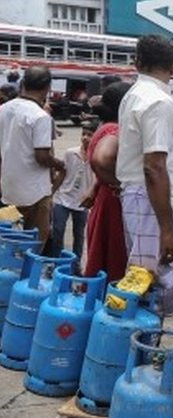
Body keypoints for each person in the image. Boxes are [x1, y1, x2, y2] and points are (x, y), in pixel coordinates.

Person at [116, 34, 173, 317]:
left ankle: (139, 350)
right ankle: (142, 352)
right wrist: (168, 229)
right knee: (151, 283)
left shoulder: (133, 95)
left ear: (137, 62)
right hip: (151, 201)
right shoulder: (158, 101)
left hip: (140, 197)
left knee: (144, 279)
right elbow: (154, 165)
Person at [0, 66, 64, 245]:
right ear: (47, 87)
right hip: (34, 192)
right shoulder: (40, 116)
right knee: (34, 245)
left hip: (9, 188)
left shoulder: (4, 109)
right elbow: (42, 157)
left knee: (10, 242)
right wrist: (60, 165)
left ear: (24, 84)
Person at [85, 82, 131, 281]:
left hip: (105, 198)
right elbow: (101, 159)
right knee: (113, 258)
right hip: (113, 202)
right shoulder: (115, 129)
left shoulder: (105, 126)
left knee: (101, 253)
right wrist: (121, 184)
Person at [50, 123, 95, 257]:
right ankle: (57, 262)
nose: (85, 138)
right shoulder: (71, 153)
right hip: (63, 198)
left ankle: (75, 264)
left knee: (79, 235)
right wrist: (51, 193)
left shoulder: (96, 157)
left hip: (82, 202)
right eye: (83, 134)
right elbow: (63, 174)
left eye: (89, 135)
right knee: (58, 230)